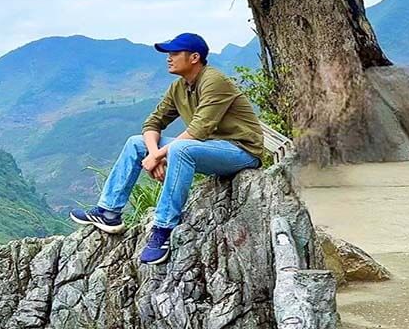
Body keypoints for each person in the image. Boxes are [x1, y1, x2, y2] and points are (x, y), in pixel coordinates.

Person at [70, 32, 265, 265]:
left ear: (194, 57)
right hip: (206, 148)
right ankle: (109, 212)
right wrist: (154, 155)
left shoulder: (214, 81)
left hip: (240, 151)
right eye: (168, 54)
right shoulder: (179, 87)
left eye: (174, 53)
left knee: (181, 148)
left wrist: (161, 156)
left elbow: (198, 130)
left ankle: (163, 229)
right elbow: (153, 123)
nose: (168, 58)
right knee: (136, 143)